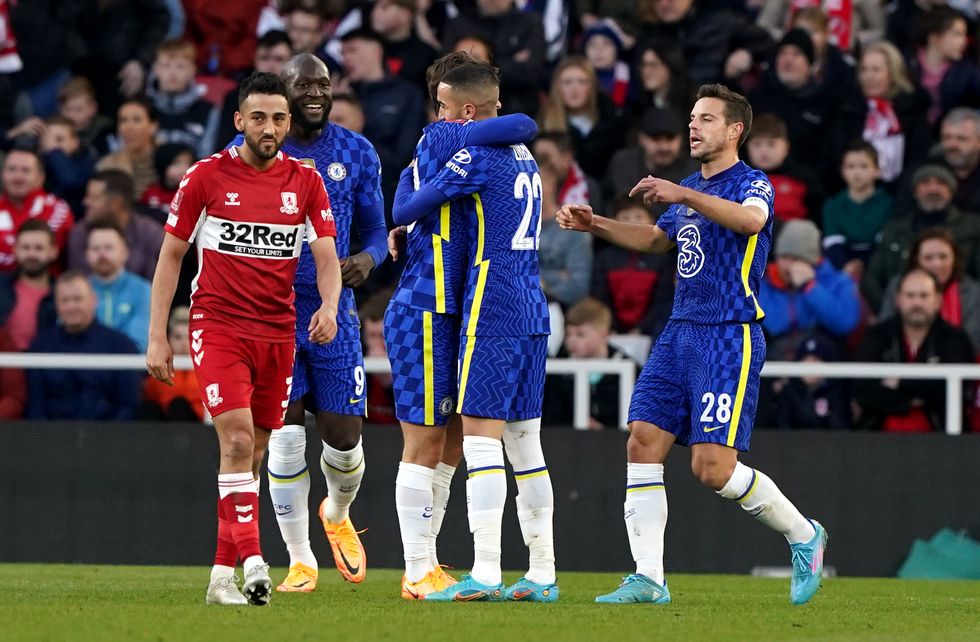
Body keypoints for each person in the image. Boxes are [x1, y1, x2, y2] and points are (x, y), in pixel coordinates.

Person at [557, 83, 827, 605]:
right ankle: (650, 578)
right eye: (692, 118)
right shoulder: (686, 188)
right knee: (641, 440)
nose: (693, 127)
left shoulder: (753, 183)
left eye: (705, 119)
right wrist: (599, 225)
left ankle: (804, 536)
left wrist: (684, 195)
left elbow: (752, 221)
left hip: (729, 333)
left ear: (734, 131)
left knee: (712, 468)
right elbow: (659, 240)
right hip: (679, 332)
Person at [145, 72, 342, 607]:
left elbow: (326, 256)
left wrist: (328, 305)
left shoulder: (306, 181)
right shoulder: (205, 178)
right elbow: (171, 256)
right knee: (234, 442)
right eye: (258, 117)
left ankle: (218, 578)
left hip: (278, 332)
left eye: (279, 117)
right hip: (219, 325)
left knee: (252, 454)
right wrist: (158, 334)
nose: (270, 127)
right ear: (239, 121)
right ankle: (255, 561)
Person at [393, 60, 557, 603]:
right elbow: (524, 124)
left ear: (463, 110)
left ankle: (485, 571)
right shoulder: (525, 154)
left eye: (444, 107)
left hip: (491, 302)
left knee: (481, 440)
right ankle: (542, 573)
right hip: (535, 305)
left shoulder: (471, 151)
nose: (437, 117)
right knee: (526, 445)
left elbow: (408, 207)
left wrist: (408, 204)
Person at [227, 54, 388, 593]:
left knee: (344, 441)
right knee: (285, 435)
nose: (316, 93)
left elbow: (375, 231)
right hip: (270, 312)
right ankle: (300, 561)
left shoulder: (356, 151)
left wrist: (368, 260)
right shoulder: (250, 151)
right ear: (284, 94)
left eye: (324, 84)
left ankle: (337, 513)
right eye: (304, 85)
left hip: (333, 307)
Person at [853, 268, 975, 431]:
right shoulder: (877, 335)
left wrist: (898, 382)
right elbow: (863, 390)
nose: (917, 303)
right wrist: (915, 396)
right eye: (910, 296)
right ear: (898, 300)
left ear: (938, 300)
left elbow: (950, 391)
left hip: (942, 440)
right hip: (878, 440)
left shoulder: (955, 339)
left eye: (924, 296)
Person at [863, 163, 980, 311]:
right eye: (925, 183)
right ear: (915, 191)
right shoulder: (894, 228)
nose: (933, 189)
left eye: (941, 183)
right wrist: (895, 306)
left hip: (962, 310)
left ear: (951, 191)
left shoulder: (973, 227)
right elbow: (872, 278)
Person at [27, 270, 142, 420]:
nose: (71, 306)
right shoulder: (41, 347)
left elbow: (128, 405)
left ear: (94, 300)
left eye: (78, 299)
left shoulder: (121, 346)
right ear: (56, 304)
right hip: (53, 437)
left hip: (108, 437)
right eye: (65, 300)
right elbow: (36, 404)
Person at [828, 41, 931, 187]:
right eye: (864, 70)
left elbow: (918, 158)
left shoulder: (912, 109)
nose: (869, 77)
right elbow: (836, 155)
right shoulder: (847, 108)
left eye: (876, 70)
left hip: (900, 192)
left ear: (893, 73)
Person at [340, 28, 425, 203]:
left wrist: (355, 132)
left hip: (388, 195)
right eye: (343, 53)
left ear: (376, 51)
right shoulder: (343, 94)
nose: (346, 58)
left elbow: (405, 160)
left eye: (353, 50)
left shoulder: (407, 94)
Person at [758, 220, 861, 360]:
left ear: (813, 260)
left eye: (796, 259)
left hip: (820, 362)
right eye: (783, 257)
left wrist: (810, 288)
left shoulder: (838, 282)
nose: (788, 266)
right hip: (773, 360)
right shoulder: (763, 282)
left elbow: (845, 323)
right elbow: (769, 326)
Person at [543, 297, 638, 429]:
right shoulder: (559, 373)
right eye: (568, 334)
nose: (571, 340)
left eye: (580, 334)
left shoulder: (631, 370)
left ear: (604, 334)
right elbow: (551, 418)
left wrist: (604, 429)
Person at [879, 228, 980, 351]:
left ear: (954, 259)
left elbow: (972, 342)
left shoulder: (973, 292)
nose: (936, 264)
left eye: (943, 257)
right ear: (916, 260)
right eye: (928, 258)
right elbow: (884, 333)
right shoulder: (898, 285)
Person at [440, 0, 546, 117]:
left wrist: (479, 67)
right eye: (476, 58)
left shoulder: (530, 23)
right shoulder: (458, 25)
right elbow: (451, 73)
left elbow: (530, 72)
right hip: (470, 114)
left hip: (520, 112)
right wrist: (510, 63)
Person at [590, 197, 674, 337]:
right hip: (610, 332)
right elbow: (600, 298)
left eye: (639, 216)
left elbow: (662, 301)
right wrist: (610, 327)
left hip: (653, 331)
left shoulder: (663, 259)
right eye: (625, 217)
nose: (632, 222)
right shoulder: (604, 258)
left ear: (653, 220)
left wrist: (642, 329)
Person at [538, 55, 627, 181]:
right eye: (567, 82)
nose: (574, 89)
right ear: (557, 88)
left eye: (582, 82)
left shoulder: (613, 123)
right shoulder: (544, 126)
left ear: (591, 86)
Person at [68, 170, 164, 282]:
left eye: (93, 197)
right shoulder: (80, 233)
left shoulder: (150, 233)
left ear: (116, 203)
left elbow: (157, 282)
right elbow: (79, 280)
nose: (86, 202)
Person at [822, 141, 894, 278]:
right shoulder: (832, 205)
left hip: (878, 265)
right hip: (841, 267)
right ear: (842, 171)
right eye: (851, 167)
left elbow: (884, 241)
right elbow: (833, 243)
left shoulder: (888, 203)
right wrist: (846, 265)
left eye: (864, 166)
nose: (857, 172)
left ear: (877, 170)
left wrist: (864, 264)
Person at [604, 106, 697, 212]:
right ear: (641, 138)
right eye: (655, 138)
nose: (664, 146)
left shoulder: (693, 172)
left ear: (681, 138)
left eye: (670, 138)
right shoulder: (622, 164)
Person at [0, 149, 74, 272]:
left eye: (25, 170)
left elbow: (42, 255)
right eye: (12, 169)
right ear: (3, 175)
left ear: (40, 178)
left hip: (49, 287)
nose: (18, 176)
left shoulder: (57, 208)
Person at [744, 114, 824, 225]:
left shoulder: (803, 178)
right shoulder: (739, 179)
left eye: (771, 144)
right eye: (757, 145)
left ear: (786, 147)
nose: (764, 151)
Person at [85, 221, 152, 352]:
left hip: (130, 367)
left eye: (109, 248)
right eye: (95, 249)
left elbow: (139, 344)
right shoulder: (76, 290)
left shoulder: (143, 290)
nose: (102, 254)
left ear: (125, 252)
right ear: (86, 254)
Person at [908, 7, 980, 129]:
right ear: (934, 38)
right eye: (957, 35)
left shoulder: (967, 72)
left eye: (964, 35)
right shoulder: (907, 65)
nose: (963, 41)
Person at [146, 39, 219, 158]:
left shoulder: (208, 111)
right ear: (156, 69)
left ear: (192, 70)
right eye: (166, 66)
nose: (172, 73)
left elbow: (207, 157)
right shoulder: (142, 106)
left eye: (180, 66)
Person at [774, 333, 852, 430]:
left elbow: (841, 429)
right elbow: (783, 429)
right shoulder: (789, 392)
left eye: (815, 360)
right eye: (805, 360)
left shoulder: (836, 393)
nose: (809, 366)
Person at [0, 219, 57, 350]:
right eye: (25, 247)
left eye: (39, 248)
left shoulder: (62, 292)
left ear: (53, 251)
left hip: (48, 365)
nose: (31, 254)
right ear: (15, 250)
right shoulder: (1, 288)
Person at [140, 305, 203, 421]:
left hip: (197, 425)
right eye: (178, 337)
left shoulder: (207, 370)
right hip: (166, 424)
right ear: (169, 339)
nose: (184, 343)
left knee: (179, 406)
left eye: (189, 337)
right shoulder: (158, 369)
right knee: (148, 408)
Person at [97, 98, 161, 197]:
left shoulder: (171, 162)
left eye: (136, 120)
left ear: (153, 126)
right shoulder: (107, 166)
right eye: (123, 121)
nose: (128, 128)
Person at [371, 0, 440, 91]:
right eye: (374, 7)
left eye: (385, 7)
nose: (375, 13)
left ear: (406, 14)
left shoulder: (426, 54)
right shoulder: (366, 49)